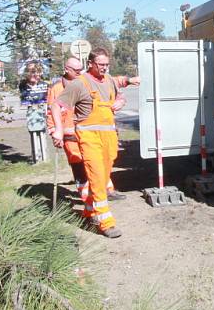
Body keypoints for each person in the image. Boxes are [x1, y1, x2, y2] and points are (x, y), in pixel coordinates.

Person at [50, 48, 125, 238]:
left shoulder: (108, 81)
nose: (104, 68)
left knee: (103, 175)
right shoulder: (79, 84)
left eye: (107, 65)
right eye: (101, 65)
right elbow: (55, 106)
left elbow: (119, 95)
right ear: (90, 64)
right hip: (89, 138)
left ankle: (89, 211)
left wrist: (120, 102)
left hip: (109, 137)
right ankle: (106, 222)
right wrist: (58, 130)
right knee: (98, 177)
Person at [46, 57, 139, 208]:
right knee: (80, 167)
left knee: (100, 164)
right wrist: (55, 132)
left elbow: (114, 82)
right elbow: (51, 112)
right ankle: (88, 202)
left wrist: (129, 82)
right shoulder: (56, 89)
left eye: (80, 70)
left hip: (92, 134)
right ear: (66, 69)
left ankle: (106, 190)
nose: (79, 72)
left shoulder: (87, 82)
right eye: (75, 70)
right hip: (71, 137)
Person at [19, 61, 49, 164]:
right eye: (31, 72)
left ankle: (44, 157)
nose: (33, 74)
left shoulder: (44, 85)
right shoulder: (23, 85)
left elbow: (47, 99)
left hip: (41, 112)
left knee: (42, 131)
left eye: (36, 72)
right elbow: (24, 99)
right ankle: (36, 157)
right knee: (33, 132)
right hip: (31, 112)